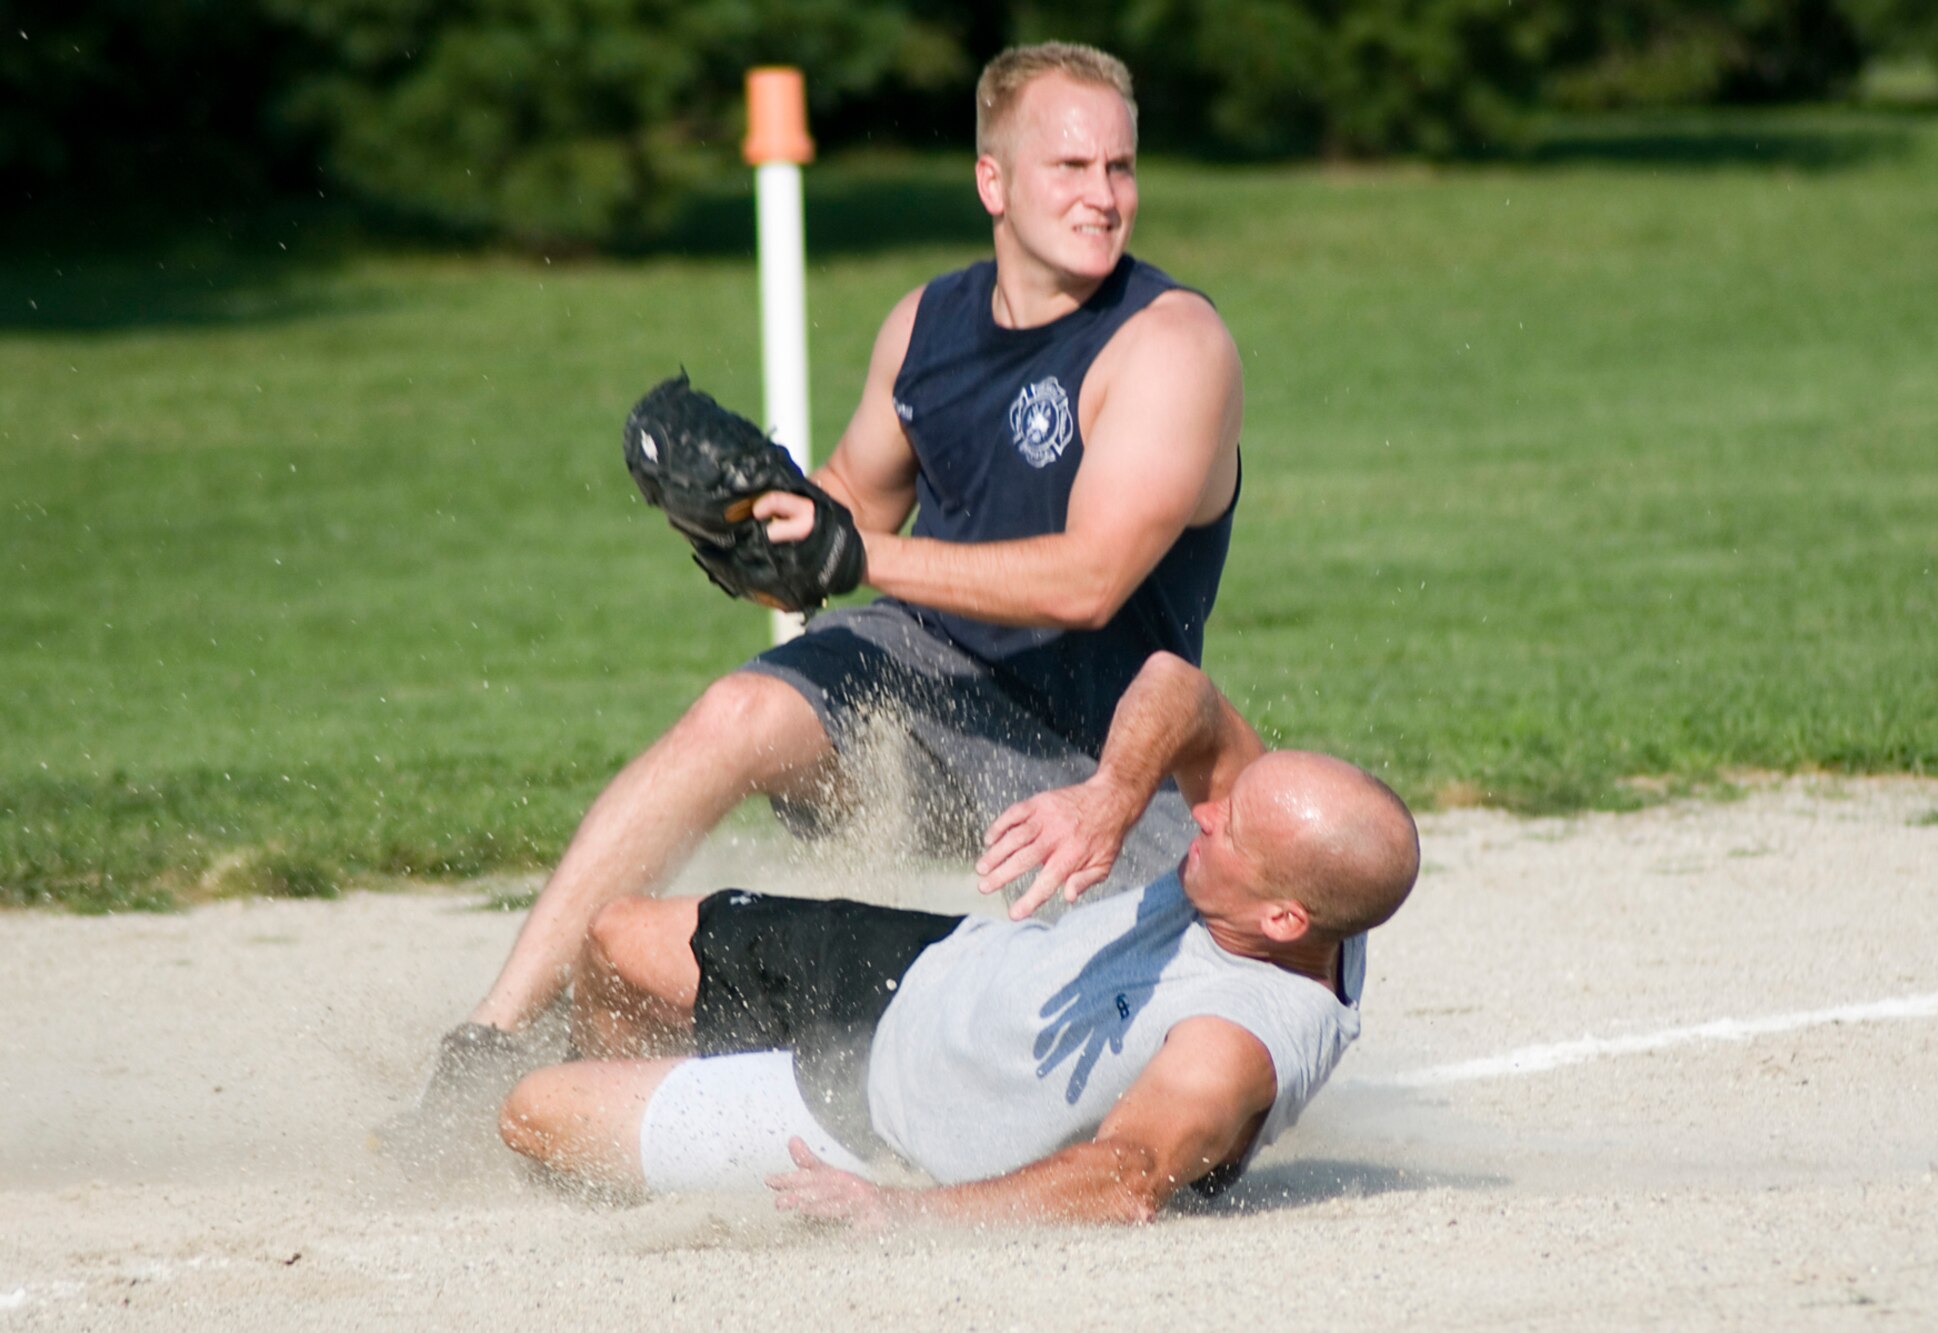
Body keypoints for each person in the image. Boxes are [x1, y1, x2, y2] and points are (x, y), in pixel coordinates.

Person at [425, 40, 1246, 1100]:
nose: (1103, 196)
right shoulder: (924, 327)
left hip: (1102, 759)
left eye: (1119, 168)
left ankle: (878, 1073)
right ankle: (493, 1038)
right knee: (735, 712)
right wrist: (752, 532)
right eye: (1070, 168)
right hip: (926, 687)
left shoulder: (1168, 343)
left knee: (1130, 1060)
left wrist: (856, 552)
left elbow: (1088, 579)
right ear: (992, 181)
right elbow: (846, 501)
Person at [497, 654, 1420, 1223]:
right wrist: (1113, 793)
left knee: (531, 1109)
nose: (1205, 811)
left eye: (1226, 830)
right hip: (933, 964)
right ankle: (635, 1119)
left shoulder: (1236, 1040)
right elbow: (1184, 692)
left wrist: (901, 1213)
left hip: (870, 1120)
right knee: (615, 934)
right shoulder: (1291, 869)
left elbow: (1122, 1180)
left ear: (1284, 920)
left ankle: (613, 1168)